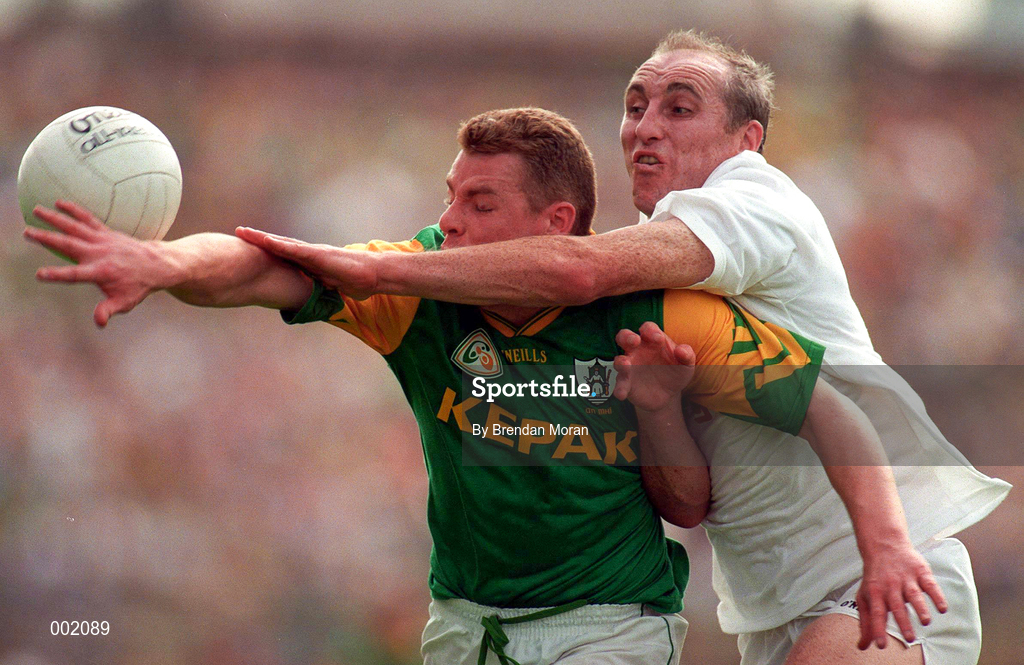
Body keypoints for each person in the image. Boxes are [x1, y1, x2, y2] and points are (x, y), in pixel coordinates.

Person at [228, 33, 1011, 665]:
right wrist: (659, 410)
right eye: (636, 105)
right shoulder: (649, 274)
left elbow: (575, 268)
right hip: (776, 607)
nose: (646, 124)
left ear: (747, 139)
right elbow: (687, 500)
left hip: (887, 571)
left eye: (680, 106)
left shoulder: (754, 198)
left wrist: (375, 269)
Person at [26, 107, 889, 665]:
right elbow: (260, 264)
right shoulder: (417, 287)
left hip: (608, 629)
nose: (448, 221)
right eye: (451, 196)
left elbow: (753, 460)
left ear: (555, 223)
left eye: (480, 203)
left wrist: (887, 543)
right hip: (462, 627)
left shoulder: (655, 306)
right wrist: (165, 263)